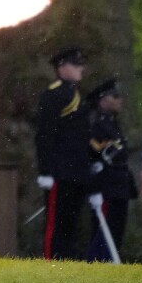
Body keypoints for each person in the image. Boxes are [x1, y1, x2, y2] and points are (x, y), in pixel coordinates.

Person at [35, 47, 92, 260]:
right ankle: (51, 263)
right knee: (55, 225)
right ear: (62, 67)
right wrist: (46, 171)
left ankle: (66, 263)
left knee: (71, 223)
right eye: (76, 64)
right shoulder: (54, 94)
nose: (81, 69)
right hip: (59, 170)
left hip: (76, 170)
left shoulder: (75, 94)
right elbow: (45, 134)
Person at [85, 78, 136, 261]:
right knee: (104, 232)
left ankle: (108, 264)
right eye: (115, 96)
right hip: (107, 186)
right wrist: (95, 189)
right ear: (103, 100)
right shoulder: (97, 125)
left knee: (115, 232)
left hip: (119, 185)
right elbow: (94, 159)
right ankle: (95, 265)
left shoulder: (113, 124)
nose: (120, 100)